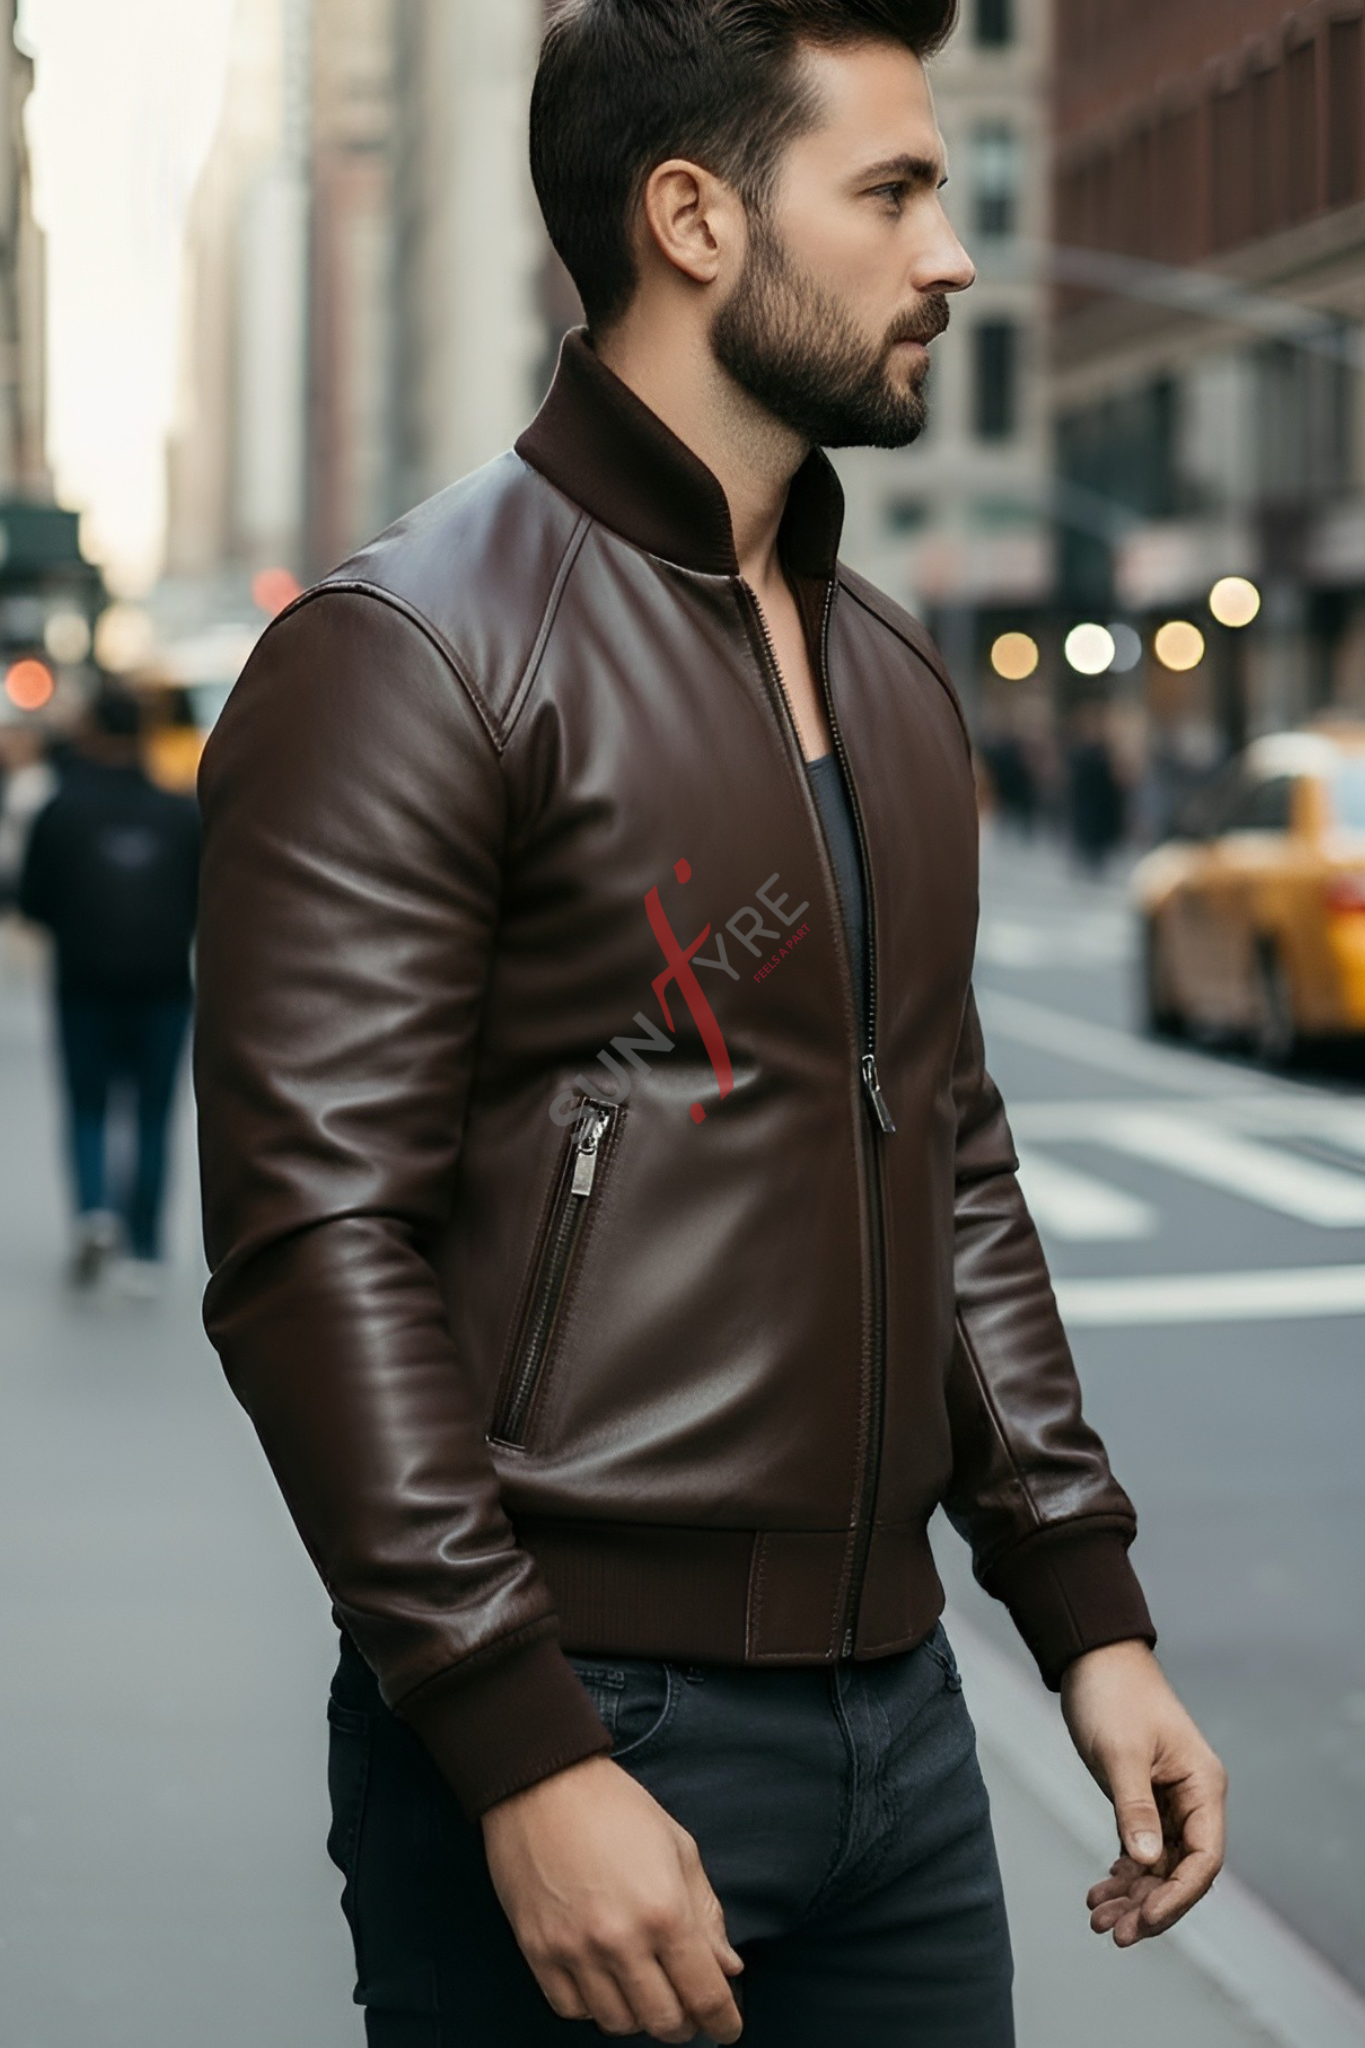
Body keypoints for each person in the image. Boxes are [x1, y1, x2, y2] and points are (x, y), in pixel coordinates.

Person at [193, 3, 1228, 2042]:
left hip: (901, 1737)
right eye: (891, 192)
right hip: (583, 1718)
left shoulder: (891, 676)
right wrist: (520, 1744)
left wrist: (1084, 1616)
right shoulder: (411, 653)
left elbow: (947, 1153)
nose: (950, 254)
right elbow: (314, 1246)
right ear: (689, 217)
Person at [20, 683, 199, 1291]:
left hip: (83, 981)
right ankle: (145, 1246)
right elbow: (206, 900)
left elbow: (33, 900)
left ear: (92, 733)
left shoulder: (63, 808)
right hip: (165, 984)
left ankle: (94, 1211)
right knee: (153, 1113)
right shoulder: (180, 812)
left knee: (88, 1104)